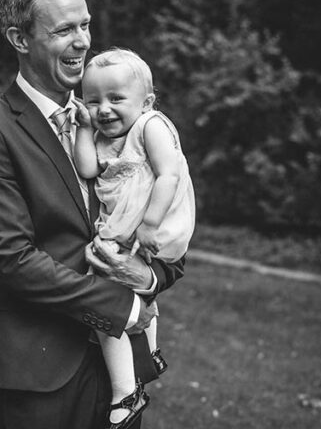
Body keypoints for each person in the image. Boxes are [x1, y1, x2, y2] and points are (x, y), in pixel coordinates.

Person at [0, 0, 185, 429]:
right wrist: (121, 308)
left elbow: (169, 221)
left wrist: (149, 279)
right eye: (63, 30)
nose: (82, 40)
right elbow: (12, 259)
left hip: (121, 373)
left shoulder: (120, 124)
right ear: (20, 39)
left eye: (85, 24)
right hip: (40, 368)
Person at [72, 48, 196, 426]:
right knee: (124, 296)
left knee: (104, 310)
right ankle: (150, 353)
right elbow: (87, 167)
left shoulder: (150, 126)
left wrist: (150, 223)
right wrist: (84, 128)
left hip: (150, 226)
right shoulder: (104, 138)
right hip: (127, 230)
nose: (104, 109)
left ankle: (126, 391)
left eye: (116, 99)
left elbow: (169, 174)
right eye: (93, 101)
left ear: (147, 102)